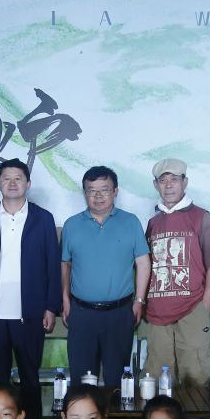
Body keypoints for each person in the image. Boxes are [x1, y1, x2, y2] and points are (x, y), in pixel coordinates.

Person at [0, 158, 62, 419]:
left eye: (18, 178)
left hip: (31, 311)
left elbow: (52, 265)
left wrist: (51, 307)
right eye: (6, 178)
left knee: (29, 377)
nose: (12, 183)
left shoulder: (43, 218)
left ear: (28, 183)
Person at [60, 165, 151, 386]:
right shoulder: (72, 225)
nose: (98, 196)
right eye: (92, 190)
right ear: (84, 193)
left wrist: (139, 301)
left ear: (115, 191)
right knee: (82, 380)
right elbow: (65, 265)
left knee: (117, 381)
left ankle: (116, 411)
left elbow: (143, 263)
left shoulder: (131, 222)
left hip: (120, 313)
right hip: (82, 313)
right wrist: (65, 299)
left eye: (105, 190)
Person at [144, 158, 210, 387]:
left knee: (195, 375)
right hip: (158, 312)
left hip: (192, 309)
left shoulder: (201, 217)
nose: (169, 185)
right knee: (157, 377)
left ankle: (195, 413)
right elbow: (146, 266)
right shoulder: (153, 222)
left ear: (185, 182)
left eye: (174, 179)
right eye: (163, 180)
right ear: (156, 185)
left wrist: (205, 304)